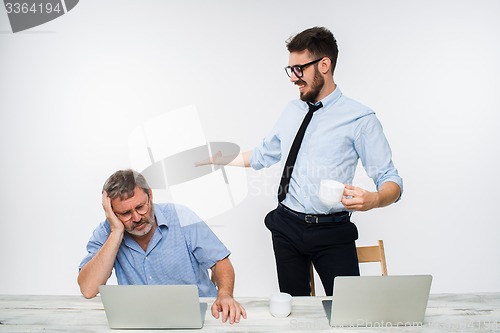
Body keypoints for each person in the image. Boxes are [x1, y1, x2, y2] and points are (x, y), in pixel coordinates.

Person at [197, 26, 403, 296]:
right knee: (294, 310)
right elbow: (262, 154)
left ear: (324, 65)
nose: (293, 78)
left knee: (349, 308)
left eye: (299, 69)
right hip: (286, 226)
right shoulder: (292, 110)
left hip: (332, 232)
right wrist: (218, 159)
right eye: (290, 70)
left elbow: (391, 179)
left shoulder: (360, 119)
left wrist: (375, 199)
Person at [78, 169, 246, 324]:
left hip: (200, 317)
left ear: (150, 195)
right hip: (142, 320)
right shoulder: (107, 232)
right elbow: (88, 289)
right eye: (125, 213)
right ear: (111, 213)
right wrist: (116, 232)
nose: (136, 218)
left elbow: (220, 262)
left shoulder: (181, 217)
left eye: (140, 207)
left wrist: (224, 295)